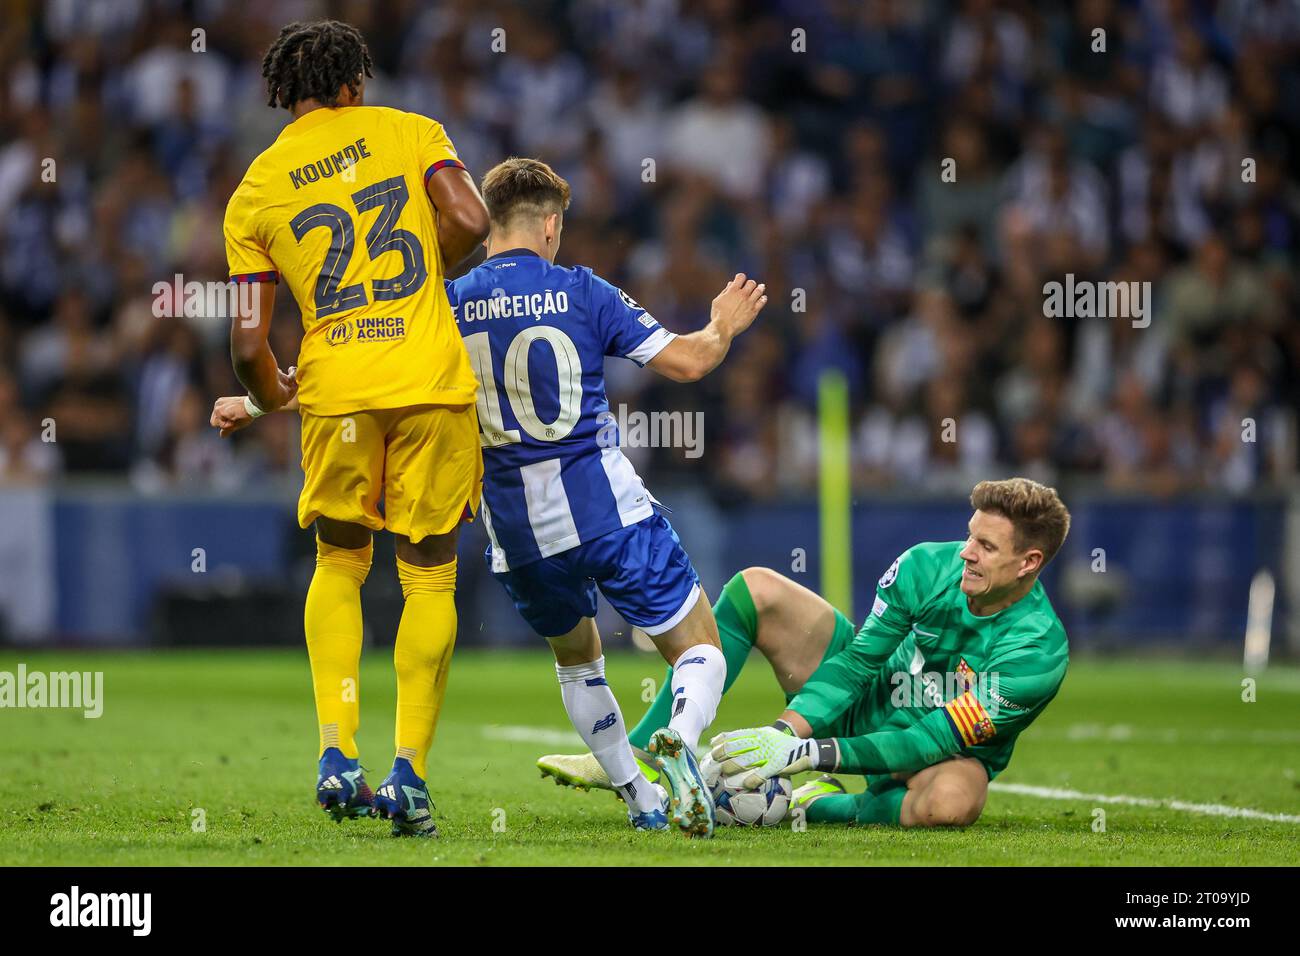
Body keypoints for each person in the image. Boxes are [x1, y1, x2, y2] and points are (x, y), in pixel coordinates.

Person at [219, 19, 489, 837]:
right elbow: (473, 221)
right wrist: (414, 281)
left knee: (339, 561)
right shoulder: (410, 131)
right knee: (430, 577)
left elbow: (245, 342)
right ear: (351, 86)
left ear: (282, 95)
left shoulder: (255, 191)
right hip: (432, 383)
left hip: (335, 393)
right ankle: (409, 777)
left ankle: (338, 751)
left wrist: (271, 396)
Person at [541, 477, 1071, 829]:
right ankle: (647, 755)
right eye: (969, 536)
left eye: (986, 547)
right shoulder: (927, 567)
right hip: (870, 697)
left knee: (954, 803)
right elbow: (860, 663)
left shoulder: (1037, 654)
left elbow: (928, 739)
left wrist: (809, 757)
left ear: (1029, 562)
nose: (966, 554)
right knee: (758, 589)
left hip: (942, 753)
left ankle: (820, 804)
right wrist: (784, 733)